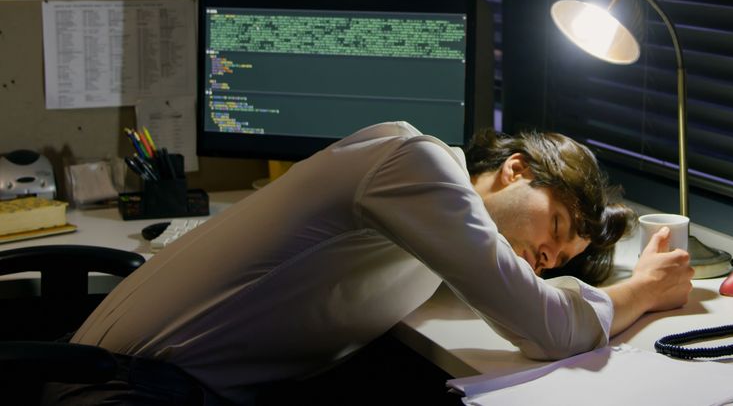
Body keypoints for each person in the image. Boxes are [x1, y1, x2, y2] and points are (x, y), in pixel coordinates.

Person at [44, 121, 693, 404]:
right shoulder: (416, 163)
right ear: (515, 169)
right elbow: (544, 325)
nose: (545, 258)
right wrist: (644, 291)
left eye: (556, 259)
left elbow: (517, 291)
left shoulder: (432, 234)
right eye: (553, 227)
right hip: (124, 393)